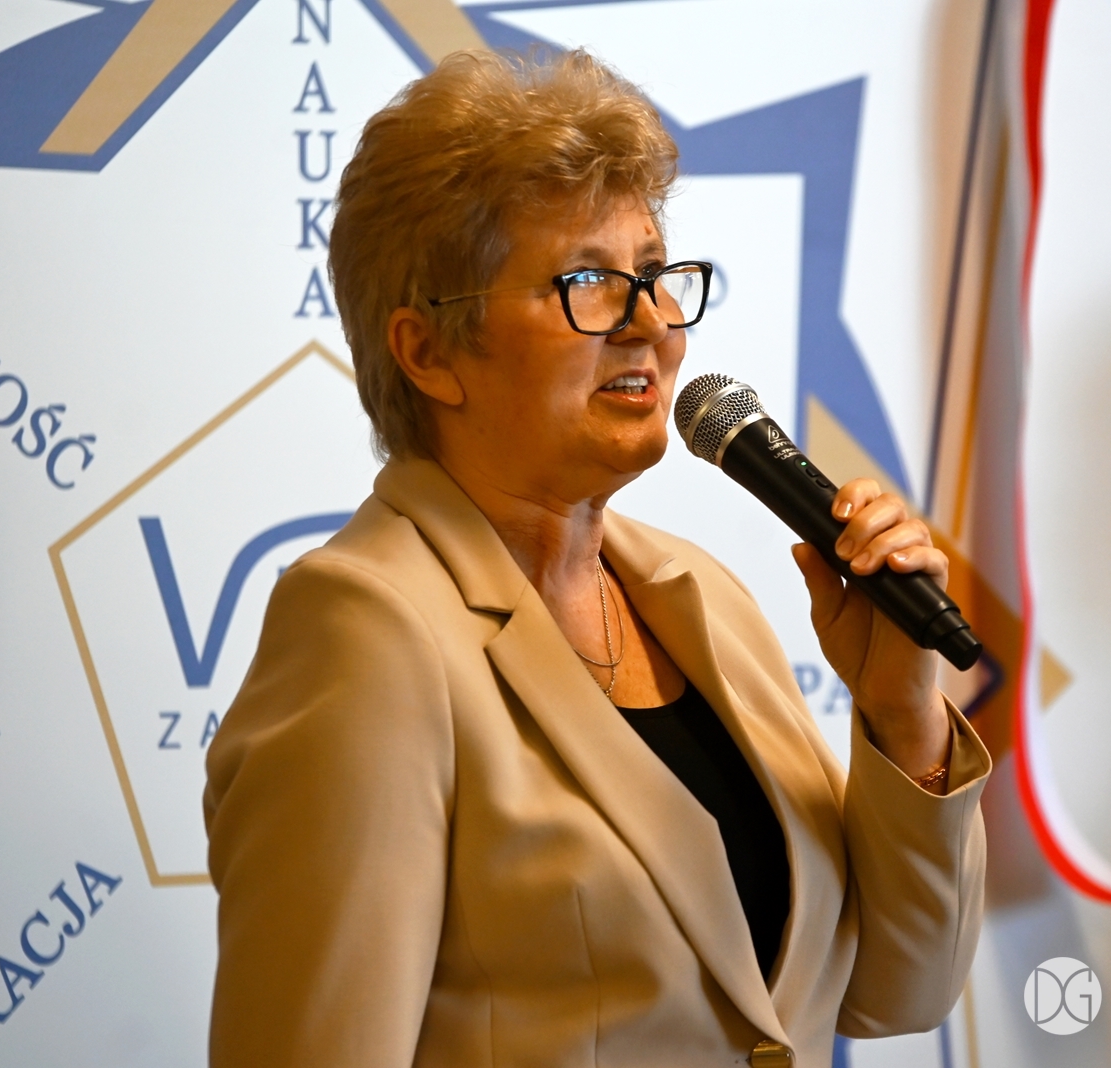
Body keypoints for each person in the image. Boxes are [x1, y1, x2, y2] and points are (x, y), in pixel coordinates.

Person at [203, 48, 989, 1068]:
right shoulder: (364, 631)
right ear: (428, 351)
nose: (653, 324)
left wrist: (900, 716)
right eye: (588, 283)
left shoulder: (701, 596)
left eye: (655, 277)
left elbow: (896, 993)